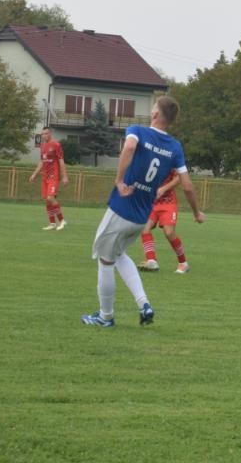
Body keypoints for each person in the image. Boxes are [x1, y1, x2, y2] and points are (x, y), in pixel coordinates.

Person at [82, 96, 205, 328]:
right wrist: (197, 212)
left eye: (153, 107)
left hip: (122, 208)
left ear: (156, 114)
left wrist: (119, 180)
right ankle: (144, 304)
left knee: (105, 260)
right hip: (142, 215)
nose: (151, 110)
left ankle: (105, 317)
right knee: (119, 255)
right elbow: (187, 186)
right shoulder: (175, 147)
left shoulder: (137, 131)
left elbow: (129, 147)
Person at [139, 171, 194, 274]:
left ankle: (183, 263)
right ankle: (151, 261)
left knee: (169, 233)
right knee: (144, 227)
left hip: (168, 203)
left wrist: (164, 188)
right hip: (152, 203)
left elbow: (179, 177)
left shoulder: (170, 161)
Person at [28, 126, 69, 231]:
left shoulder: (56, 145)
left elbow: (61, 161)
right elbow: (42, 161)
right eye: (42, 134)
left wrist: (64, 176)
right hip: (45, 177)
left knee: (50, 198)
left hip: (53, 176)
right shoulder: (43, 146)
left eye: (46, 133)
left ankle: (62, 220)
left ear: (50, 134)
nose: (44, 136)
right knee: (47, 200)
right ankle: (52, 223)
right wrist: (34, 174)